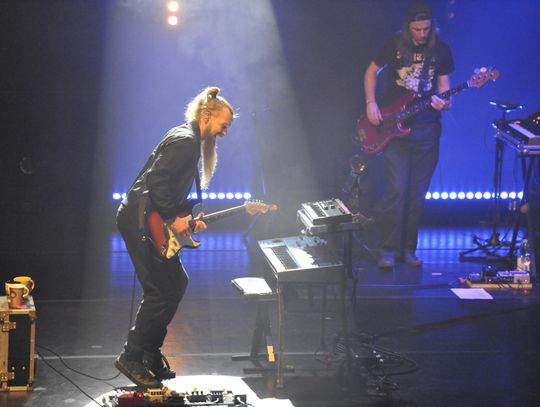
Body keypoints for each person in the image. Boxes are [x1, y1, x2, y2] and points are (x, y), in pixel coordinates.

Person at [115, 87, 235, 387]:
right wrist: (172, 217)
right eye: (223, 125)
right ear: (206, 116)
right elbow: (156, 179)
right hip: (139, 220)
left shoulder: (188, 139)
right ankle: (131, 356)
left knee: (176, 283)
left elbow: (165, 185)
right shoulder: (186, 141)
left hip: (147, 216)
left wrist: (186, 217)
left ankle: (149, 351)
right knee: (159, 290)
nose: (225, 133)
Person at [363, 1, 454, 268]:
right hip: (395, 128)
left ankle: (409, 249)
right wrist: (371, 103)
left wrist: (443, 103)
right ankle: (387, 249)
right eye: (417, 29)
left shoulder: (441, 50)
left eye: (426, 29)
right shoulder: (394, 44)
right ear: (408, 27)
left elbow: (446, 92)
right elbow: (370, 72)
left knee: (417, 194)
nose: (422, 34)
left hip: (426, 129)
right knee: (397, 190)